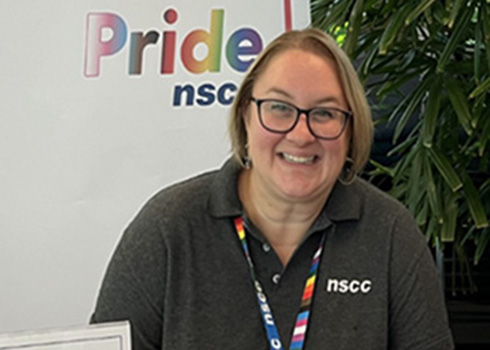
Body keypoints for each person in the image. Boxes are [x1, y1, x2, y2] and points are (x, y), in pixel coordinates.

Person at [91, 28, 454, 350]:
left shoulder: (389, 232)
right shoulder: (168, 228)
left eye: (325, 113)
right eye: (279, 108)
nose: (300, 134)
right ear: (246, 115)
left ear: (350, 131)